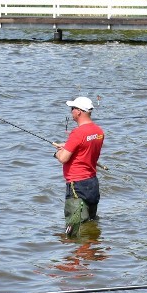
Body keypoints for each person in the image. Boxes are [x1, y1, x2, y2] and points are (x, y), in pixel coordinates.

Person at [52, 97, 104, 233]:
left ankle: (78, 252)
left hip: (77, 186)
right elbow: (85, 148)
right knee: (89, 224)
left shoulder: (77, 133)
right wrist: (68, 146)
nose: (71, 112)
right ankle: (91, 251)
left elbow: (63, 158)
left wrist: (56, 153)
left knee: (73, 231)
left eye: (72, 109)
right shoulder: (98, 132)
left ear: (80, 112)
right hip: (92, 184)